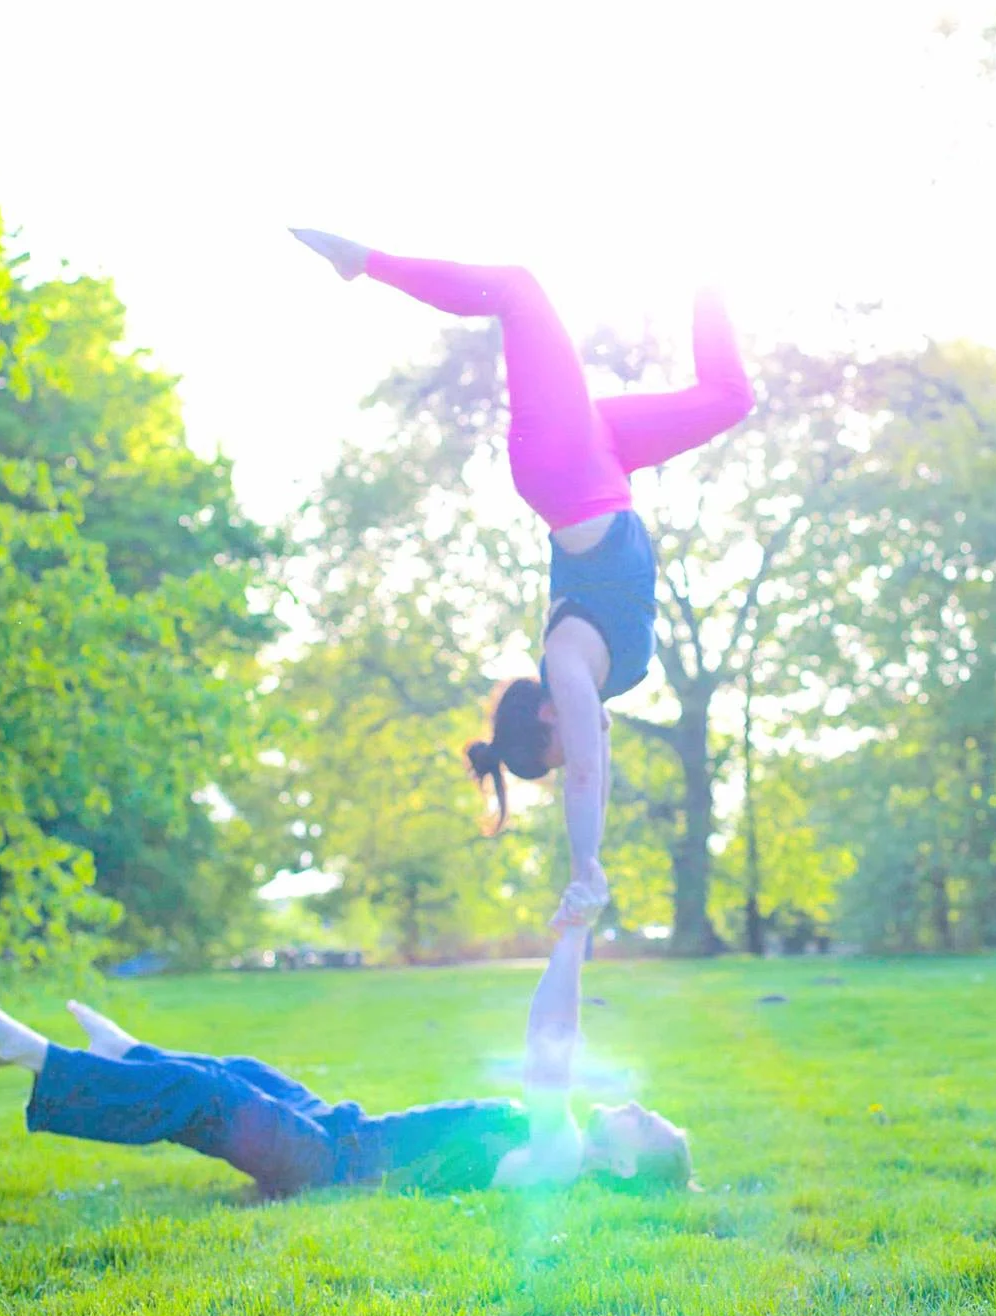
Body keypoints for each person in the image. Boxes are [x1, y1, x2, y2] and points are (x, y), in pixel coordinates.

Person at [291, 230, 754, 924]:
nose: (583, 745)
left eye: (562, 749)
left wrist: (585, 866)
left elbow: (586, 774)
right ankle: (708, 268)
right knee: (729, 398)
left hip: (564, 466)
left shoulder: (567, 662)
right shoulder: (601, 681)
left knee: (517, 288)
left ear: (545, 718)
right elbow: (595, 766)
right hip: (604, 460)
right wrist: (592, 860)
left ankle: (363, 263)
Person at [0, 913, 690, 1197]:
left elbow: (549, 1049)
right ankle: (130, 1051)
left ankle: (29, 1054)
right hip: (341, 1132)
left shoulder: (561, 1158)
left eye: (644, 1121)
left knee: (210, 1096)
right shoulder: (559, 1152)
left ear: (624, 1165)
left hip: (332, 1167)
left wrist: (572, 940)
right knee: (245, 1073)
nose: (633, 1105)